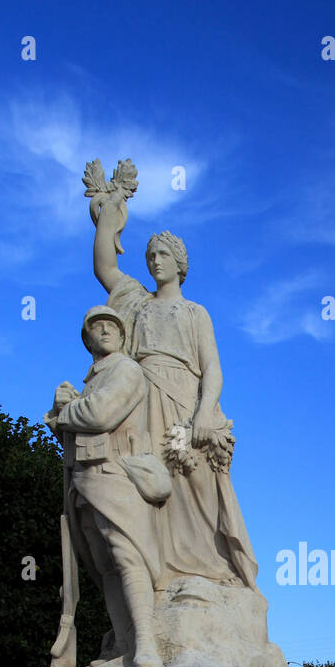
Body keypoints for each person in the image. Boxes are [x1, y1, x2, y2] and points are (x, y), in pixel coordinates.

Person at [92, 192, 258, 594]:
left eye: (163, 254)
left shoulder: (195, 312)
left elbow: (213, 369)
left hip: (185, 401)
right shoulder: (136, 301)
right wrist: (108, 217)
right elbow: (104, 266)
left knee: (196, 484)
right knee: (151, 485)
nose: (155, 261)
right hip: (142, 403)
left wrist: (204, 413)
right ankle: (159, 575)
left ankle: (206, 569)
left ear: (180, 263)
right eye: (151, 254)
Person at [45, 306, 172, 667]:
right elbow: (77, 429)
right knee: (105, 567)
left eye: (110, 326)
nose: (104, 331)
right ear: (87, 339)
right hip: (83, 482)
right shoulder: (90, 380)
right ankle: (124, 648)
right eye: (96, 327)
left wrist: (62, 413)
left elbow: (101, 415)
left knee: (128, 557)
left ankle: (146, 646)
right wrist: (61, 412)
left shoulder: (126, 370)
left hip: (115, 475)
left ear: (121, 336)